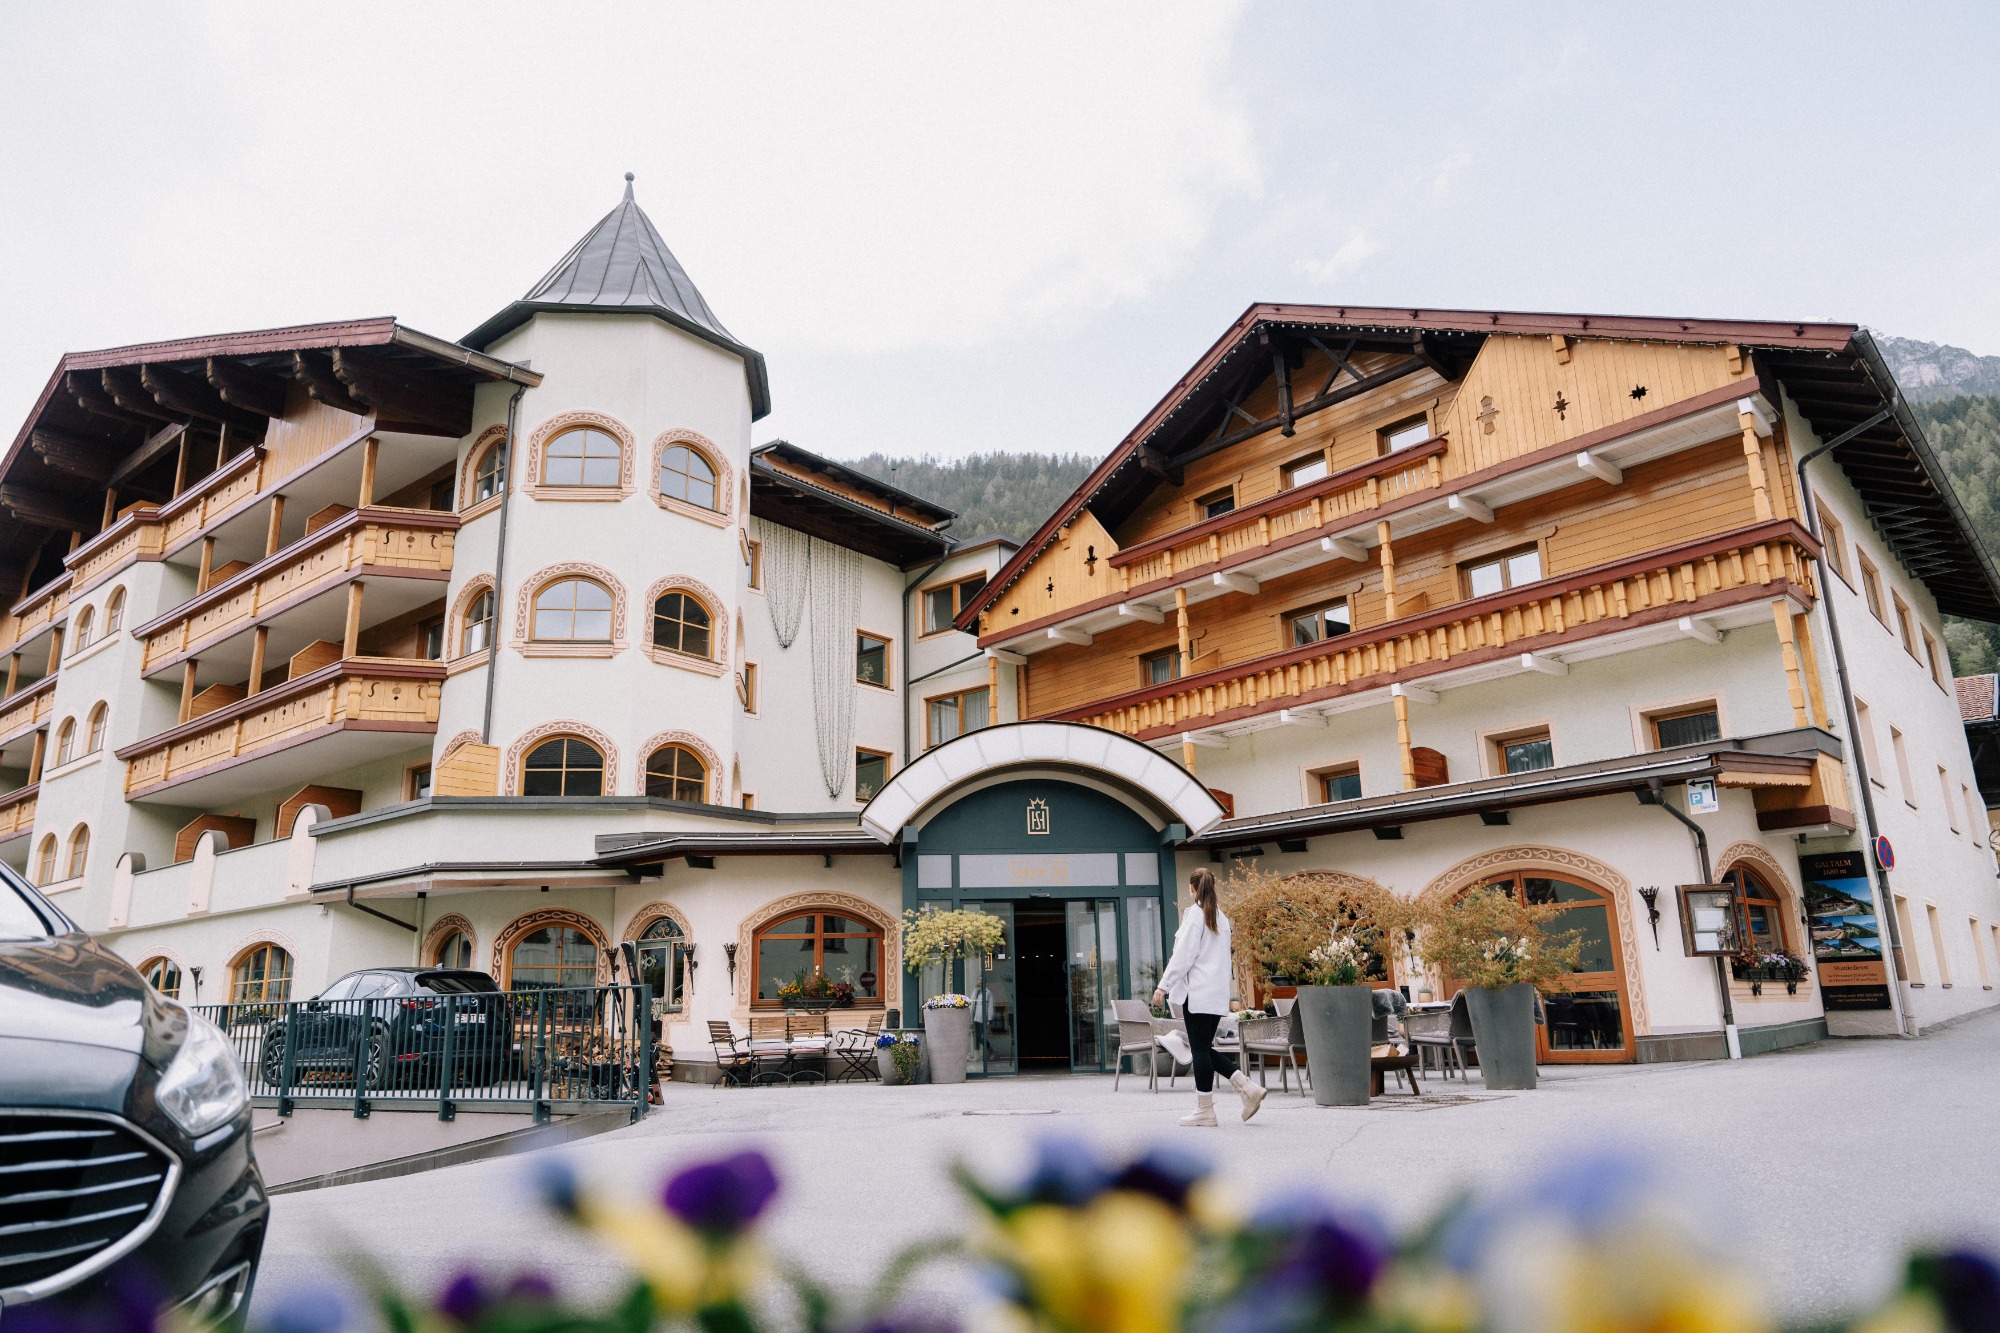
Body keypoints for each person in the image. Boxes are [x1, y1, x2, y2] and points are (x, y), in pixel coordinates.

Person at [1152, 868, 1265, 1126]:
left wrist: (1163, 986)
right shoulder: (1220, 917)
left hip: (1197, 994)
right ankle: (1246, 1088)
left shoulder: (1195, 915)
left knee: (1200, 1050)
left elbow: (1183, 956)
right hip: (1215, 996)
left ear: (1192, 888)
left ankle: (1206, 1109)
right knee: (1202, 1048)